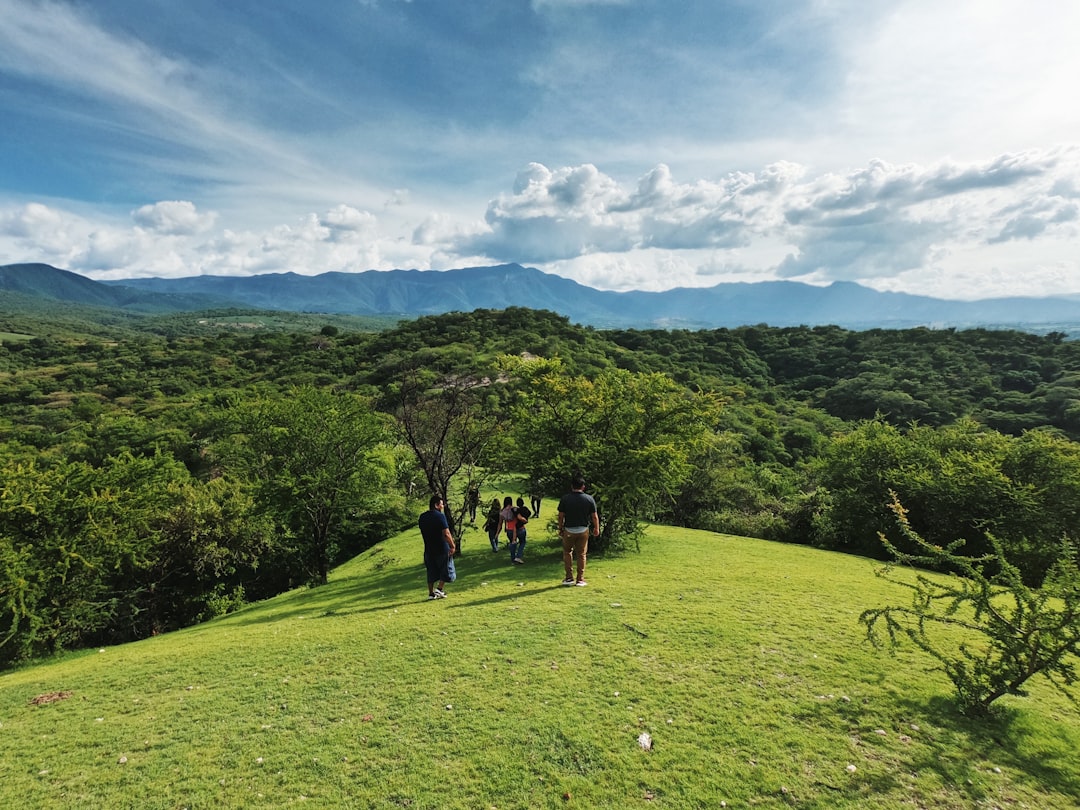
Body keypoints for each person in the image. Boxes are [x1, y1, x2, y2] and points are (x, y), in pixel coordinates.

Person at [557, 472, 598, 586]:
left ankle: (569, 577)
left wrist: (560, 528)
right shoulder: (589, 499)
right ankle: (580, 579)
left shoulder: (565, 499)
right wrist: (596, 528)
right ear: (583, 487)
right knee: (581, 554)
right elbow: (594, 516)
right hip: (583, 530)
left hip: (569, 529)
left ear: (572, 486)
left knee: (567, 552)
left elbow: (561, 516)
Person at [419, 494, 456, 599]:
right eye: (441, 504)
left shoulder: (422, 517)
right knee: (446, 569)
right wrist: (452, 546)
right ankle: (439, 589)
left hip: (428, 548)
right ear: (436, 505)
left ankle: (431, 593)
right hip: (441, 548)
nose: (443, 506)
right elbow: (446, 533)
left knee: (431, 571)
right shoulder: (440, 516)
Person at [511, 496, 532, 564]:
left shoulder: (516, 510)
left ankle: (513, 557)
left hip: (515, 528)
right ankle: (518, 556)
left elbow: (512, 510)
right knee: (522, 542)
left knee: (514, 542)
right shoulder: (525, 509)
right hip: (521, 528)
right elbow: (529, 513)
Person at [499, 496, 518, 564]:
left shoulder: (502, 511)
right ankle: (515, 557)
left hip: (508, 529)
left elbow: (501, 522)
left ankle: (513, 557)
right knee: (515, 542)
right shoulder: (514, 509)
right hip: (515, 528)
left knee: (512, 542)